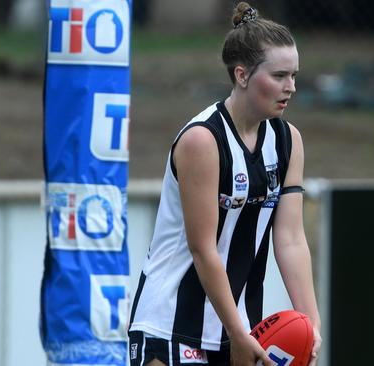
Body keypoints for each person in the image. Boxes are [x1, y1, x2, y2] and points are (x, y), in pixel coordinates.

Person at [127, 3, 321, 365]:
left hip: (240, 330)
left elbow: (291, 239)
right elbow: (203, 249)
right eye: (279, 76)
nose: (291, 87)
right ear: (242, 74)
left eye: (294, 75)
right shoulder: (203, 140)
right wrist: (236, 332)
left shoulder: (288, 141)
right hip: (172, 325)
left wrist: (311, 322)